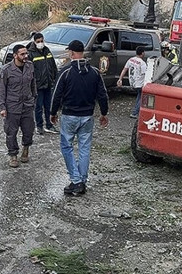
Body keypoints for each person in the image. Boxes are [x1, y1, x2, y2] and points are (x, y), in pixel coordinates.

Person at [50, 39, 109, 197]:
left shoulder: (66, 71)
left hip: (70, 115)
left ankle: (76, 180)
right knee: (84, 148)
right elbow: (102, 95)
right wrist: (104, 113)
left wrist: (52, 112)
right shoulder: (95, 72)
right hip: (87, 116)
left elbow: (56, 94)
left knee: (67, 147)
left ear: (71, 53)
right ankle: (81, 180)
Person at [0, 44, 37, 168]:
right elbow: (1, 90)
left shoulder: (30, 66)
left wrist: (34, 99)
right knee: (11, 132)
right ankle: (13, 155)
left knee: (28, 130)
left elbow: (33, 84)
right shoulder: (6, 70)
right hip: (12, 106)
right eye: (22, 54)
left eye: (26, 53)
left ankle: (26, 149)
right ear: (15, 56)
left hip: (27, 105)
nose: (25, 56)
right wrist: (2, 107)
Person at [27, 32, 58, 135]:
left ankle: (49, 125)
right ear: (34, 42)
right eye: (38, 42)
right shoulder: (30, 53)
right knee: (38, 107)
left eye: (42, 41)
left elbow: (52, 66)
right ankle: (39, 126)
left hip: (48, 84)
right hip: (38, 85)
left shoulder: (47, 51)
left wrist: (54, 78)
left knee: (48, 105)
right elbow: (29, 71)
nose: (40, 43)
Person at [117, 46, 148, 119]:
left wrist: (120, 79)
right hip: (140, 83)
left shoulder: (130, 60)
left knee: (139, 95)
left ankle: (136, 110)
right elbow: (145, 74)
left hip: (132, 82)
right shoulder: (142, 63)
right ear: (142, 53)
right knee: (143, 96)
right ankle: (135, 112)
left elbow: (124, 69)